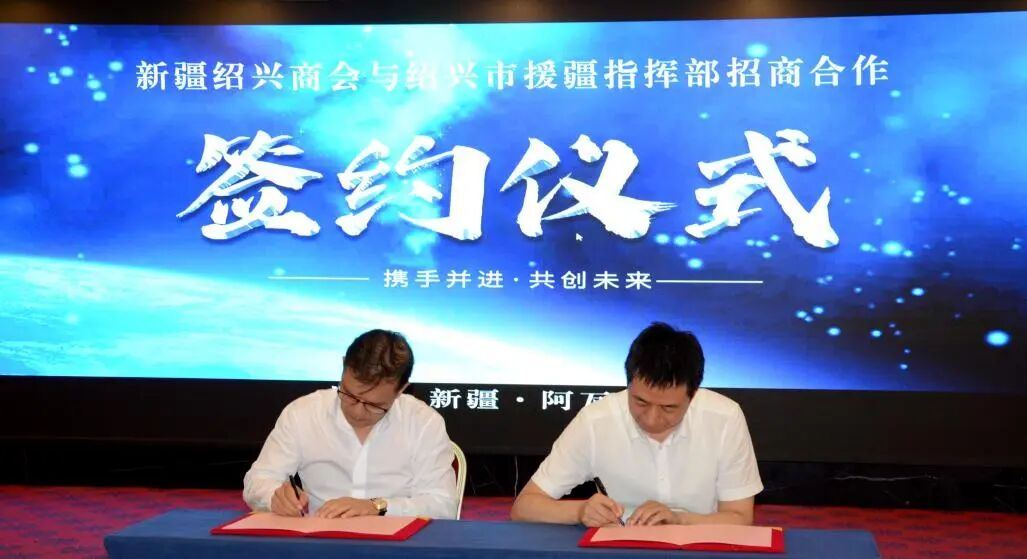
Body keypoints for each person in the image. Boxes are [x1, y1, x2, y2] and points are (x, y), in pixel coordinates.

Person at [511, 322, 762, 527]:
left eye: (668, 408)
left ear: (693, 394)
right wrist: (579, 511)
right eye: (640, 402)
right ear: (628, 384)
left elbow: (740, 517)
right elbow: (524, 506)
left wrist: (679, 520)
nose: (651, 419)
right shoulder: (595, 421)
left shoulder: (724, 418)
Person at [243, 329, 458, 519]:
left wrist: (377, 506)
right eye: (349, 395)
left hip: (398, 544)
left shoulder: (423, 423)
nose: (357, 411)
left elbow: (443, 504)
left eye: (374, 405)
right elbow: (258, 480)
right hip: (321, 540)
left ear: (401, 390)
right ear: (343, 365)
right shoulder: (304, 413)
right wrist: (275, 497)